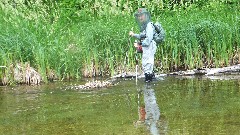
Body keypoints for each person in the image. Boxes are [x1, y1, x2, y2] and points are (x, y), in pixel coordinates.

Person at [129, 8, 157, 82]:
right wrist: (133, 35)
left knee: (147, 65)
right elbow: (142, 36)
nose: (140, 17)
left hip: (149, 47)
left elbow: (148, 40)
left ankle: (149, 86)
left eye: (141, 15)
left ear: (146, 16)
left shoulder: (149, 26)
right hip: (147, 48)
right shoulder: (146, 26)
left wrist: (139, 44)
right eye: (138, 16)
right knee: (147, 66)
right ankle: (152, 81)